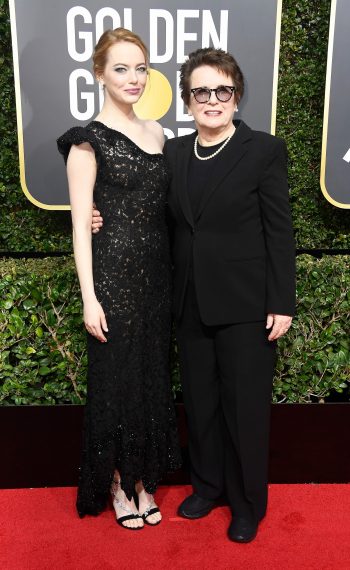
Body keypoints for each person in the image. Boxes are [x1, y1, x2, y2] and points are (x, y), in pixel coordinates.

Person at [93, 46, 295, 543]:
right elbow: (154, 217)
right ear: (186, 99)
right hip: (188, 303)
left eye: (222, 90)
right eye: (201, 91)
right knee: (201, 405)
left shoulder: (263, 151)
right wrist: (102, 217)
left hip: (247, 306)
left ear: (237, 95)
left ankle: (247, 504)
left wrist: (282, 301)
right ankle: (207, 487)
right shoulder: (175, 152)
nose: (212, 99)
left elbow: (280, 232)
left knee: (245, 411)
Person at [57, 28, 181, 530]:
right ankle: (113, 483)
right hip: (110, 277)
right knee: (115, 383)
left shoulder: (160, 134)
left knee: (151, 379)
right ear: (99, 75)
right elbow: (80, 225)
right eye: (122, 68)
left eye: (141, 68)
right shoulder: (87, 140)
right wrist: (89, 297)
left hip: (157, 278)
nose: (133, 78)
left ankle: (143, 479)